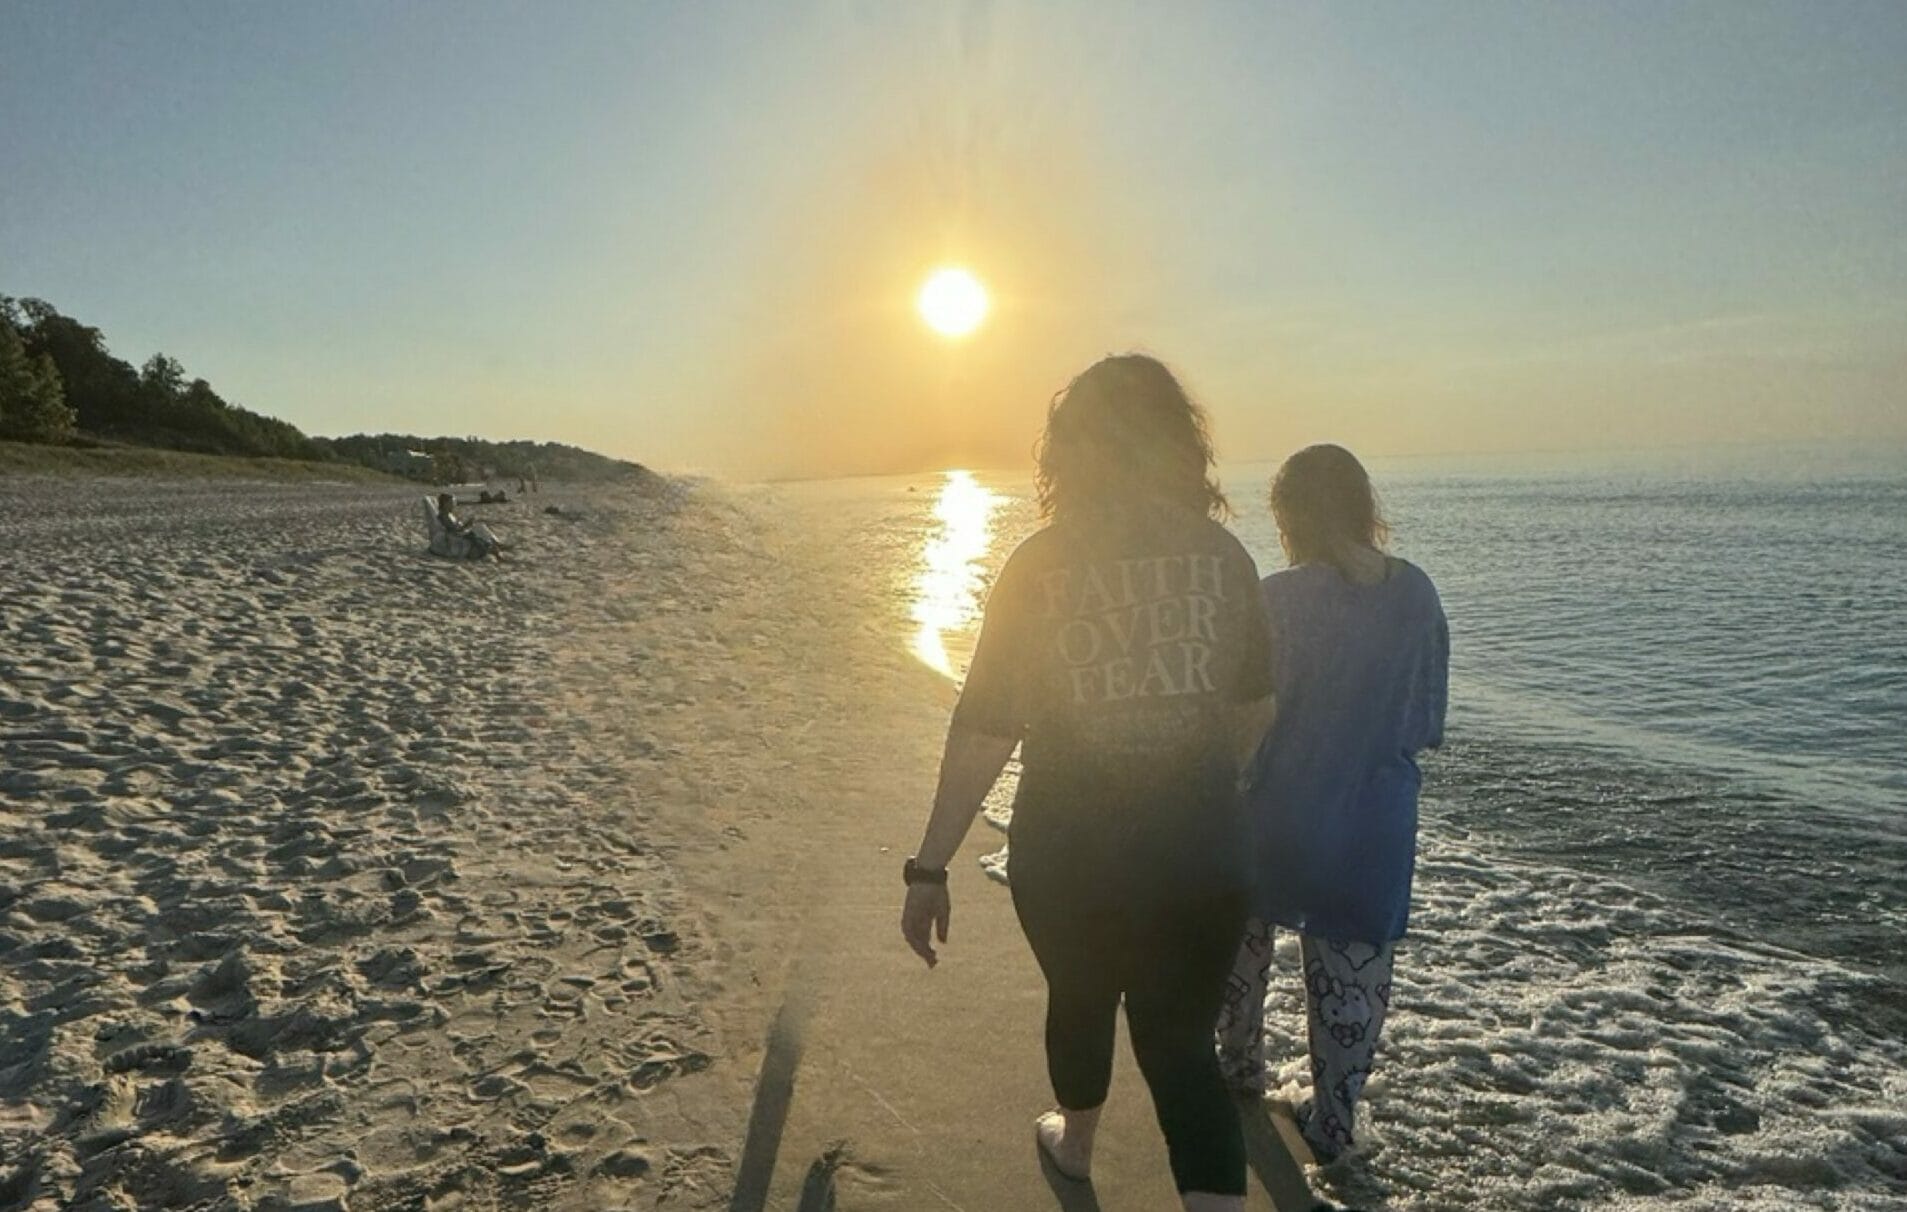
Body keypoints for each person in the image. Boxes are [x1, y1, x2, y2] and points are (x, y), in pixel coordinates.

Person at [900, 355, 1278, 1211]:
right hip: (1202, 850)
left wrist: (929, 867)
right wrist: (1205, 775)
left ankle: (1074, 1145)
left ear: (1066, 452)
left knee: (1079, 994)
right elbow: (1254, 709)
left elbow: (986, 728)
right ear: (1182, 447)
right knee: (1180, 1045)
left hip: (1071, 851)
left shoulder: (1039, 564)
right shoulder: (1224, 558)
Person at [1214, 444, 1448, 1166]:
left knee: (1241, 958)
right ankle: (1334, 1125)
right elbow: (1422, 723)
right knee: (1350, 988)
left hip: (1273, 814)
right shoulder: (1416, 593)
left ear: (1288, 518)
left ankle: (1239, 1076)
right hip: (1369, 826)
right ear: (1363, 506)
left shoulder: (1274, 598)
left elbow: (1243, 715)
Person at [435, 492, 502, 560]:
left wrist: (466, 525)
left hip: (460, 533)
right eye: (451, 503)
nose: (453, 505)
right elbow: (453, 530)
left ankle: (494, 544)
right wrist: (466, 525)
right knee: (478, 529)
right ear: (445, 503)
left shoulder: (448, 514)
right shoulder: (444, 516)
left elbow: (456, 527)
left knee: (480, 527)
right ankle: (495, 545)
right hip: (456, 536)